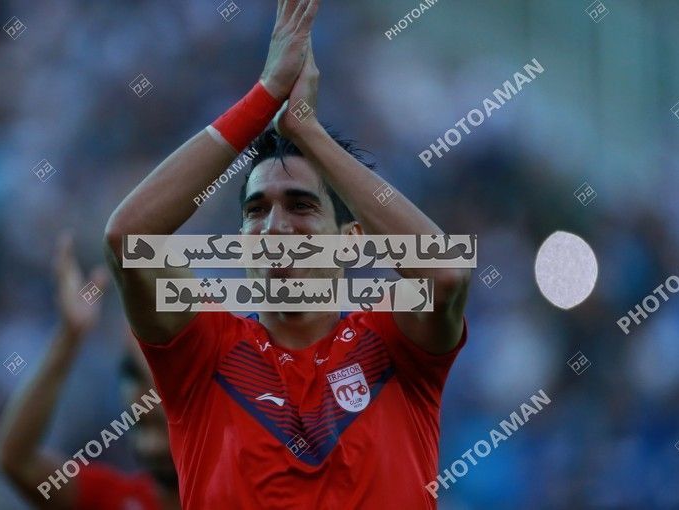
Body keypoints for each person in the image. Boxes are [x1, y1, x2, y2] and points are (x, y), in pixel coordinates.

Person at [103, 0, 472, 507]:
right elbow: (127, 238)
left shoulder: (391, 339)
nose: (275, 228)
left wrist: (307, 132)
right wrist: (265, 95)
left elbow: (445, 273)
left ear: (351, 240)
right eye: (256, 211)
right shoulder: (205, 349)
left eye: (301, 206)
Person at [0, 232, 180, 509]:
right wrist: (69, 337)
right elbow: (16, 461)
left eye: (161, 426)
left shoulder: (237, 487)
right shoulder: (118, 499)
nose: (152, 445)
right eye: (142, 427)